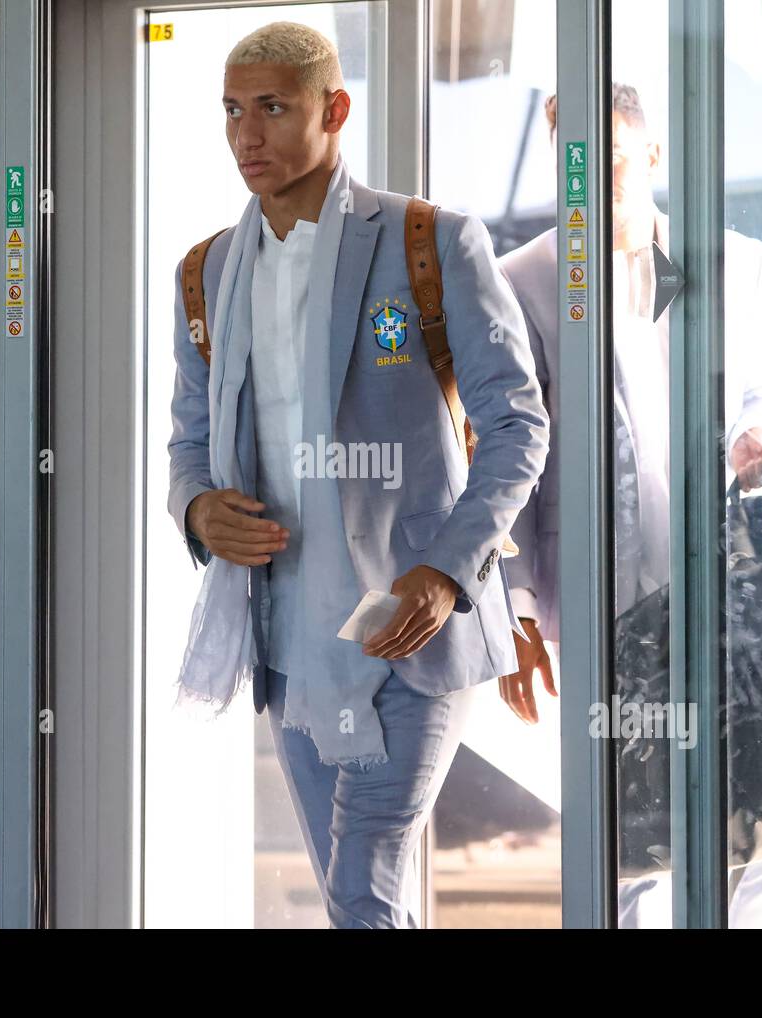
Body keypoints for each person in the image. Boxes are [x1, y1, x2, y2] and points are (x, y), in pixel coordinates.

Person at [166, 21, 548, 929]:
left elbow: (518, 425)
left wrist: (449, 570)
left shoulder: (434, 241)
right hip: (286, 638)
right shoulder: (208, 270)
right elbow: (188, 441)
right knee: (356, 896)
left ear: (334, 110)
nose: (246, 136)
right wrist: (197, 511)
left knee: (362, 885)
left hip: (411, 630)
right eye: (231, 111)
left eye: (272, 108)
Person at [498, 84, 762, 928]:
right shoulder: (524, 278)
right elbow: (505, 452)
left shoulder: (728, 259)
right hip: (594, 598)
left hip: (724, 588)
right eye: (571, 165)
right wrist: (511, 611)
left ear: (650, 157)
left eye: (608, 160)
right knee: (626, 827)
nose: (589, 182)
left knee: (761, 805)